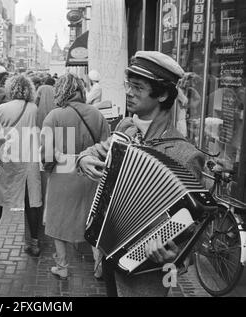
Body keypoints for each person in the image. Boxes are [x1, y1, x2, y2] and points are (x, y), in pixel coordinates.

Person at [77, 51, 204, 297]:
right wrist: (84, 158)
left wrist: (175, 256)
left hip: (147, 274)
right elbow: (99, 149)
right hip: (109, 251)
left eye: (138, 87)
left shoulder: (185, 155)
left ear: (163, 94)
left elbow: (195, 230)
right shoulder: (126, 128)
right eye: (129, 85)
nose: (129, 92)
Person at [41, 73, 110, 279]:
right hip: (92, 175)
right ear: (80, 90)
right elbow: (108, 148)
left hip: (62, 176)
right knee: (92, 220)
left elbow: (47, 153)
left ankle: (62, 267)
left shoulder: (53, 116)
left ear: (61, 91)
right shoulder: (97, 115)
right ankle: (98, 266)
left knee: (58, 221)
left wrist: (48, 167)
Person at [0, 75, 43, 256]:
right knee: (31, 202)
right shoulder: (34, 109)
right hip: (29, 160)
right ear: (29, 89)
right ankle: (34, 242)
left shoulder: (2, 109)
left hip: (7, 159)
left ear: (11, 89)